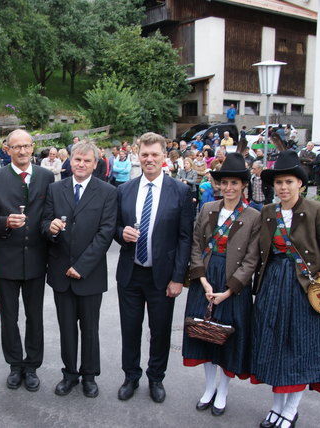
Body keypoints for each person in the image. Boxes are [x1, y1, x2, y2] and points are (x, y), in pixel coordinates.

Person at [251, 151, 320, 428]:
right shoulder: (268, 212)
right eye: (279, 183)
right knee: (273, 348)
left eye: (289, 182)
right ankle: (276, 407)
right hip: (272, 285)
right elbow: (260, 254)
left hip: (303, 289)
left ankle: (291, 410)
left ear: (301, 184)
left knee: (299, 349)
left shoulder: (319, 211)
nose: (283, 188)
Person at [114, 132, 193, 403]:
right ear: (138, 155)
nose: (149, 159)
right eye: (144, 154)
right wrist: (120, 232)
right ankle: (131, 376)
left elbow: (185, 238)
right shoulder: (124, 190)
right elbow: (113, 226)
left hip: (163, 277)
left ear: (164, 157)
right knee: (130, 328)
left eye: (154, 154)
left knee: (160, 331)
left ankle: (156, 377)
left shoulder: (180, 191)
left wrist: (178, 278)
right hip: (130, 273)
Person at [182, 153, 260, 416]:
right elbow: (196, 245)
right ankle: (208, 388)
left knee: (226, 338)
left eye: (234, 183)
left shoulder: (253, 216)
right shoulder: (207, 209)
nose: (228, 188)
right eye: (224, 182)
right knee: (204, 333)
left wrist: (229, 290)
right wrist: (201, 279)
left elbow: (252, 258)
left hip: (232, 284)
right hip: (205, 278)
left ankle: (223, 391)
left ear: (243, 186)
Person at [42, 141, 117, 398]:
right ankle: (69, 374)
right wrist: (49, 230)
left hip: (90, 274)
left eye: (87, 160)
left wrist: (81, 267)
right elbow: (45, 222)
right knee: (66, 328)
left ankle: (89, 376)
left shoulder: (107, 192)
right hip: (61, 273)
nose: (81, 164)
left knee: (90, 329)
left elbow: (105, 234)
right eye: (77, 160)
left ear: (95, 164)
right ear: (70, 161)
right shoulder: (55, 189)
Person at [0, 129, 55, 392]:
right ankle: (15, 365)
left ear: (33, 147)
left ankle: (33, 365)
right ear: (7, 149)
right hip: (5, 260)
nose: (22, 151)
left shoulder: (47, 176)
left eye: (26, 146)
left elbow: (51, 214)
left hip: (37, 259)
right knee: (9, 318)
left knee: (35, 316)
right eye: (16, 147)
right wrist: (5, 222)